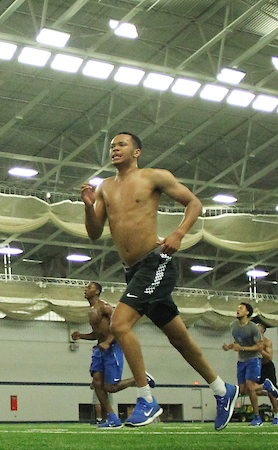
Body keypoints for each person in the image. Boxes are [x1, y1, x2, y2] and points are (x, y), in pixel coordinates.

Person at [81, 132, 238, 429]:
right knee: (179, 338)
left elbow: (193, 203)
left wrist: (178, 234)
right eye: (112, 146)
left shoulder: (154, 177)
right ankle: (222, 389)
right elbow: (93, 232)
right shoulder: (104, 187)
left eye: (121, 145)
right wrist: (89, 205)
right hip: (134, 270)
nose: (115, 149)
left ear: (136, 151)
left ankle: (146, 399)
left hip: (157, 263)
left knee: (119, 324)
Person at [71, 281, 154, 428]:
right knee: (97, 382)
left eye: (89, 287)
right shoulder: (91, 311)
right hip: (100, 348)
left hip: (113, 346)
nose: (85, 289)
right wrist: (81, 336)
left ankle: (140, 378)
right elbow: (98, 333)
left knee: (110, 387)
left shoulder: (104, 306)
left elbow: (119, 324)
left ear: (97, 292)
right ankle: (112, 418)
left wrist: (108, 342)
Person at [221, 303, 278, 426]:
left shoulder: (260, 335)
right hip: (242, 361)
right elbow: (238, 342)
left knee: (252, 387)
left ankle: (272, 416)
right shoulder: (233, 326)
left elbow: (264, 353)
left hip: (259, 362)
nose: (237, 310)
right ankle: (266, 387)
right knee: (244, 390)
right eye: (237, 308)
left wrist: (242, 348)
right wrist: (229, 347)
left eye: (241, 308)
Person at [257, 322, 278, 425]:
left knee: (272, 394)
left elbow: (269, 357)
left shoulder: (267, 342)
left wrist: (261, 351)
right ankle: (268, 391)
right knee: (252, 390)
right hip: (256, 366)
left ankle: (277, 416)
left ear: (263, 330)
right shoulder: (251, 342)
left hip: (267, 366)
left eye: (258, 328)